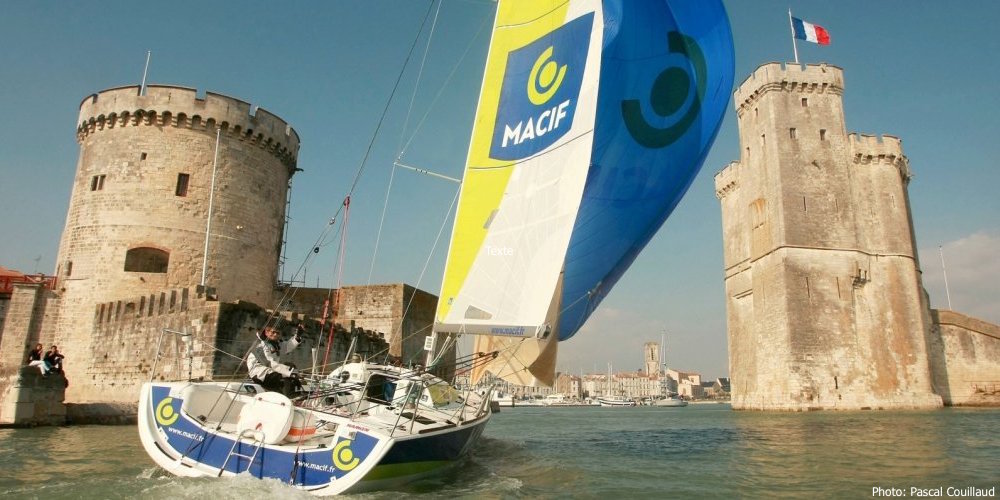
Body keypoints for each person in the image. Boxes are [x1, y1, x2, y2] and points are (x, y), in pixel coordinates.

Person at [247, 324, 304, 397]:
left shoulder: (275, 343)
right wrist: (290, 372)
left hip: (270, 371)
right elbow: (270, 363)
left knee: (290, 366)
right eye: (273, 332)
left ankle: (297, 392)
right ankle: (290, 397)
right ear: (266, 332)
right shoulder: (260, 344)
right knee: (285, 377)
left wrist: (297, 336)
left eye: (277, 333)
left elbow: (287, 346)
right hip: (259, 373)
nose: (275, 334)